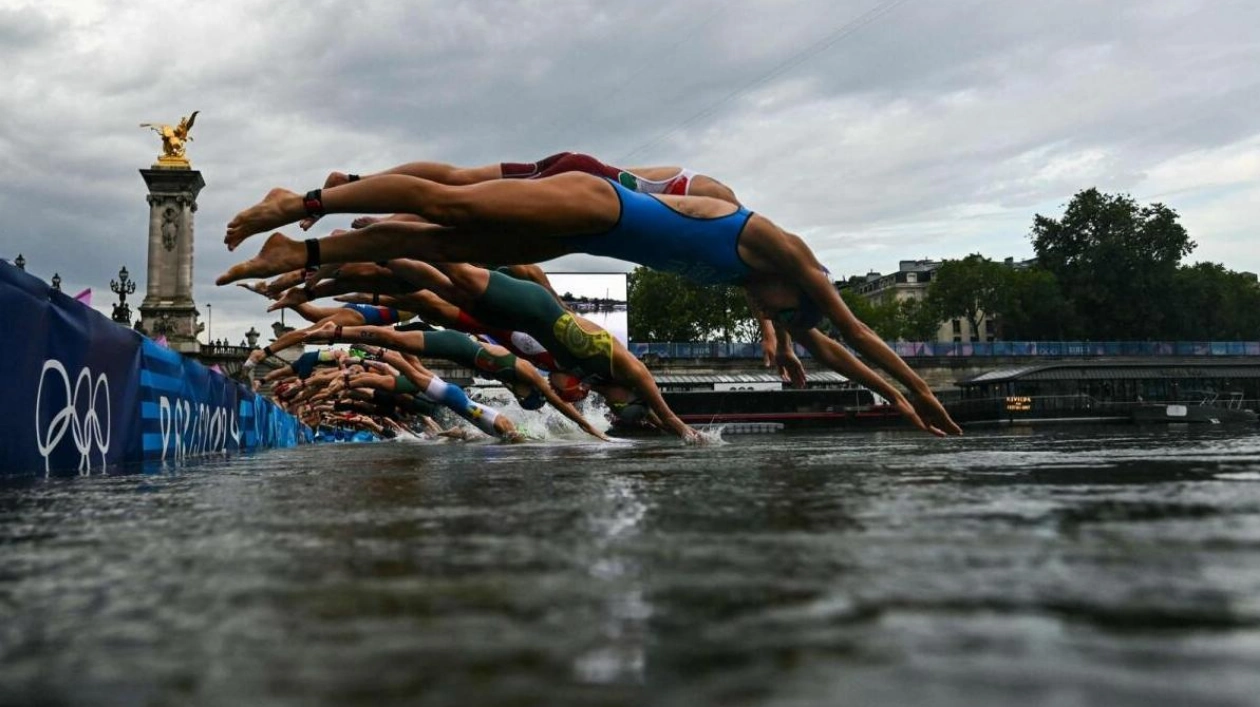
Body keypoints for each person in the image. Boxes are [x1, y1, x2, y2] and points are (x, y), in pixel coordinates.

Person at [220, 169, 961, 436]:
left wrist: (895, 403)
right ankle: (303, 206)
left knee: (444, 242)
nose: (789, 328)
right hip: (601, 202)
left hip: (597, 230)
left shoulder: (774, 295)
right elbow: (856, 330)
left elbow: (834, 349)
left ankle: (306, 253)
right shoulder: (785, 252)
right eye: (786, 319)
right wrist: (921, 389)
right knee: (450, 210)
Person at [302, 322, 611, 441]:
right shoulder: (530, 374)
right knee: (405, 359)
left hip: (461, 380)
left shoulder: (526, 375)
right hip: (461, 353)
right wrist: (591, 429)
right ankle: (343, 333)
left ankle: (351, 339)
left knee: (409, 366)